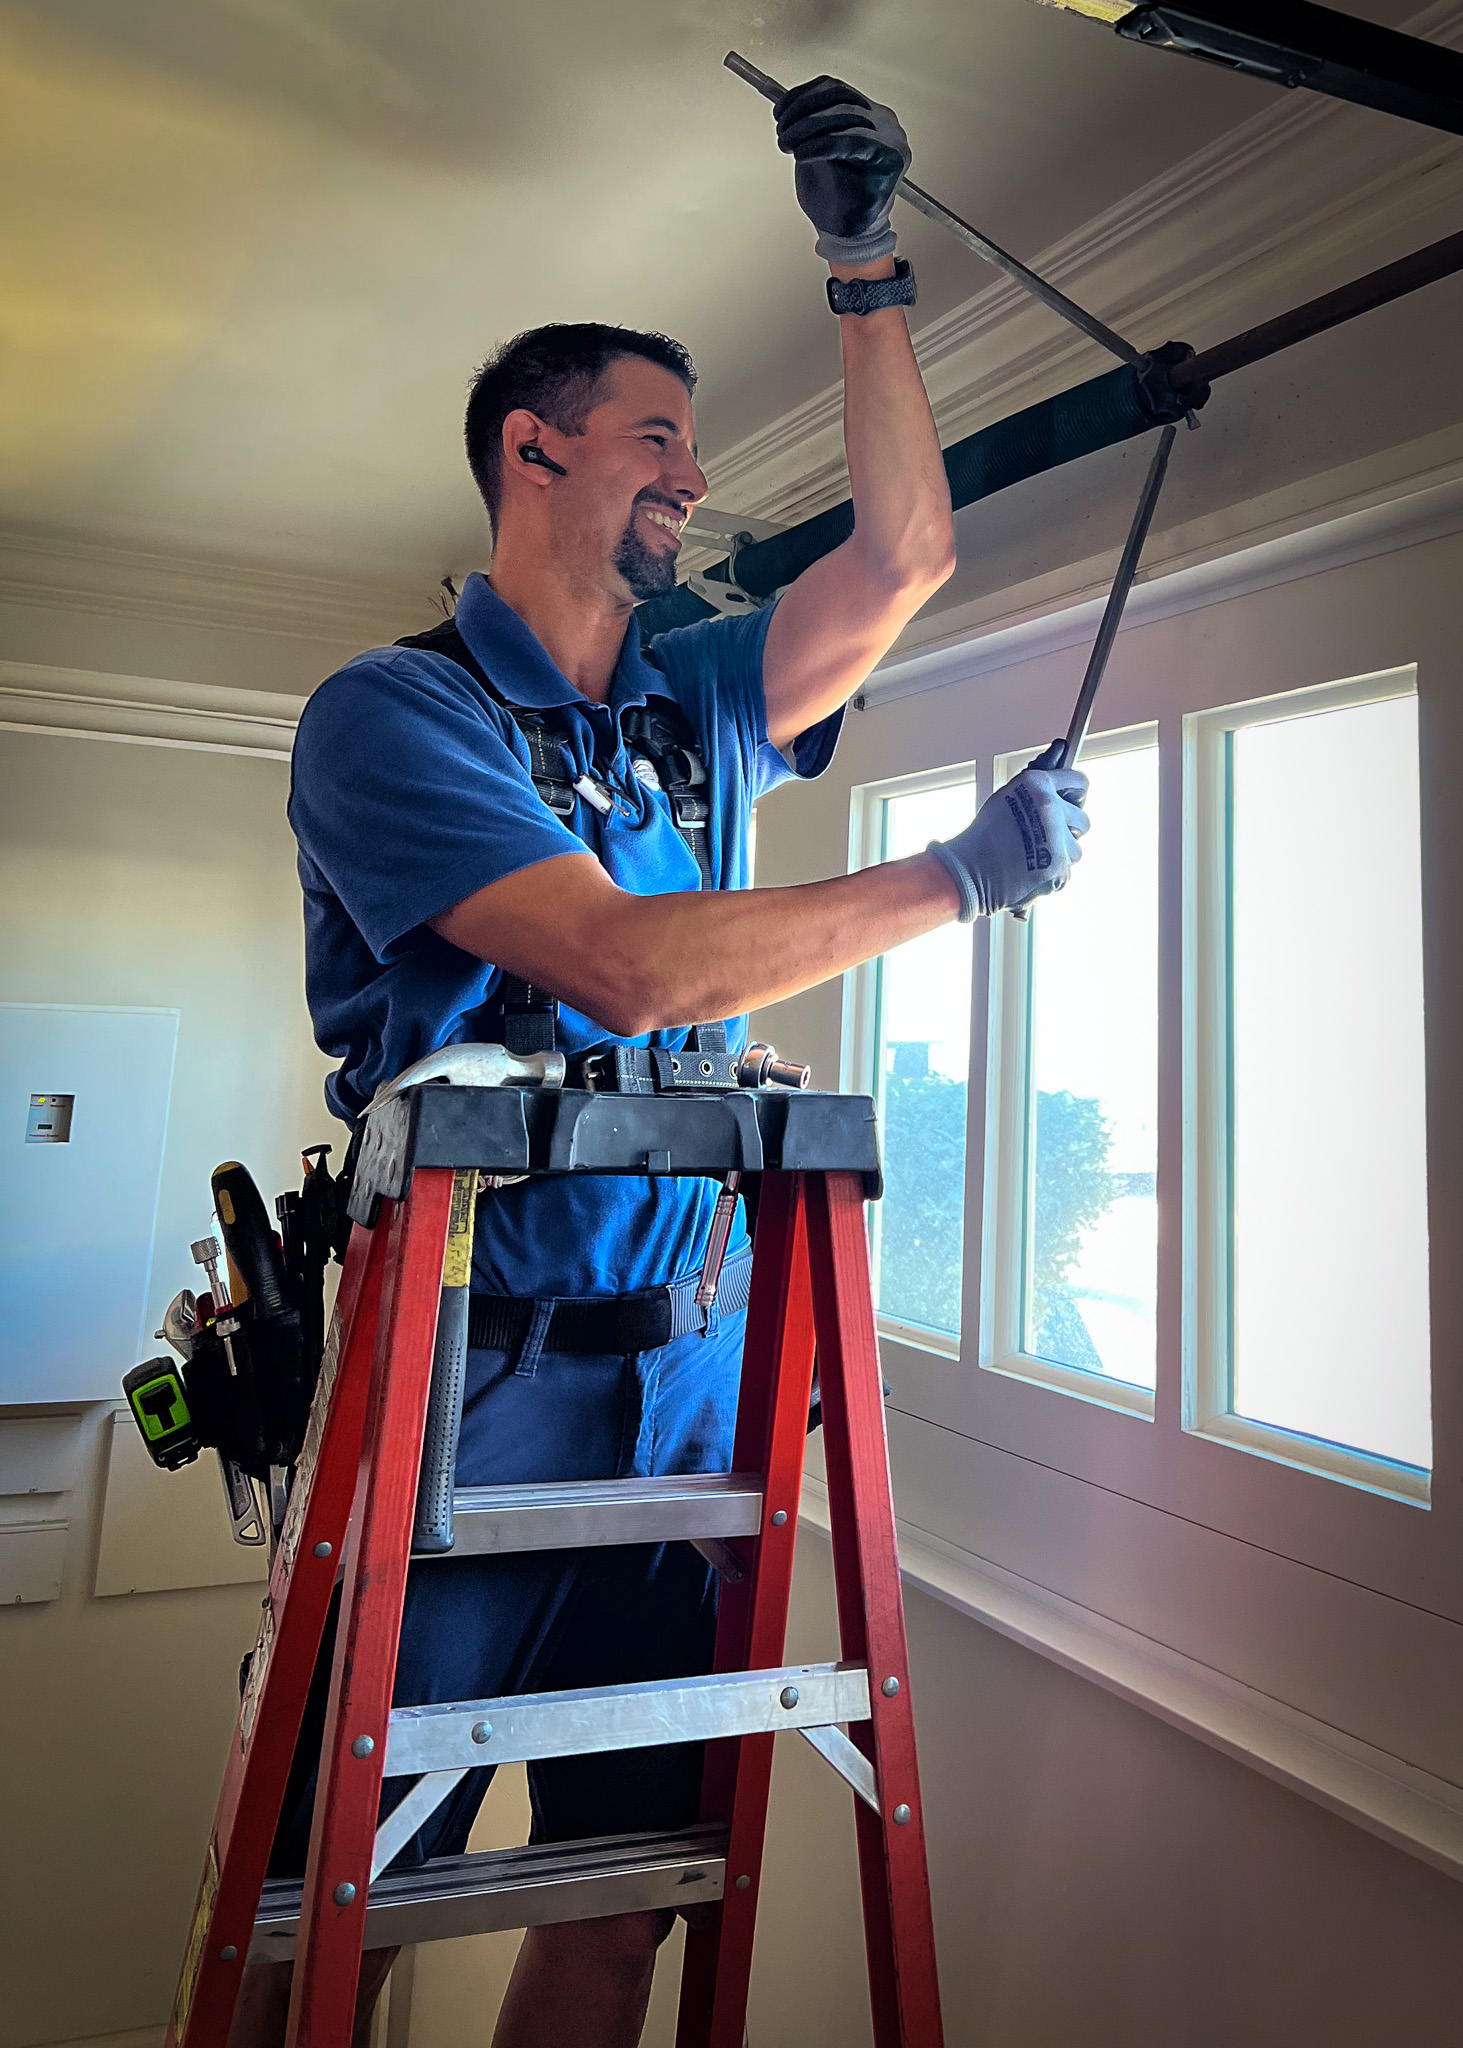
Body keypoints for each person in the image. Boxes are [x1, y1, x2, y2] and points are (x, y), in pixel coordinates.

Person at [238, 74, 1088, 2048]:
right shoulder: (390, 715)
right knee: (344, 1900)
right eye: (655, 442)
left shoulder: (692, 705)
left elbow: (905, 563)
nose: (691, 481)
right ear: (532, 452)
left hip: (692, 1378)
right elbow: (617, 968)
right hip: (471, 1379)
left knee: (622, 1896)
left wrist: (862, 261)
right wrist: (954, 880)